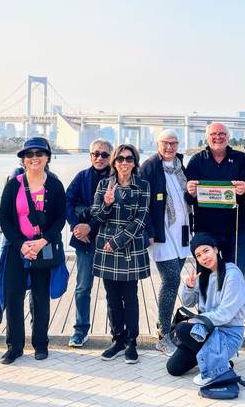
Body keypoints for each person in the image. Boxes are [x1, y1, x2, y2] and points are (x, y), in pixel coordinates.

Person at [0, 137, 66, 364]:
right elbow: (5, 219)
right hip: (18, 248)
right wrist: (21, 244)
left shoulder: (55, 185)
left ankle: (40, 344)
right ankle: (14, 346)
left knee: (40, 298)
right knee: (13, 297)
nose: (34, 157)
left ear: (47, 157)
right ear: (23, 159)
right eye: (29, 154)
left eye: (39, 153)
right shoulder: (13, 184)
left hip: (43, 249)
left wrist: (42, 241)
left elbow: (60, 219)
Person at [91, 143, 151, 364]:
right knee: (112, 298)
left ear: (135, 162)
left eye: (129, 159)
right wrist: (106, 204)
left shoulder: (143, 185)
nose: (124, 162)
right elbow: (96, 216)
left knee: (131, 297)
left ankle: (132, 342)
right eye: (120, 159)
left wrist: (118, 241)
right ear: (114, 162)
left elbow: (141, 218)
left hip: (129, 247)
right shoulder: (104, 184)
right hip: (106, 247)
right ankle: (117, 340)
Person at [167, 234, 245, 385]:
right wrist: (189, 287)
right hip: (206, 331)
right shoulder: (204, 275)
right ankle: (219, 362)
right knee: (173, 368)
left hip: (228, 335)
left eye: (206, 251)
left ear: (216, 250)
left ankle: (217, 367)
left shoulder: (232, 275)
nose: (204, 257)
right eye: (198, 255)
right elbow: (188, 302)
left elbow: (224, 315)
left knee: (182, 328)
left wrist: (194, 320)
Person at [141, 130, 192, 355]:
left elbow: (189, 195)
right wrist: (148, 231)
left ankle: (165, 326)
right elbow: (143, 202)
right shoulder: (151, 166)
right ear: (158, 144)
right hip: (162, 235)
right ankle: (163, 335)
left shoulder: (180, 165)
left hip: (183, 233)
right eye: (165, 143)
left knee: (172, 282)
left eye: (173, 143)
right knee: (171, 280)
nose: (170, 147)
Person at [186, 123, 245, 273]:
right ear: (206, 137)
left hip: (237, 231)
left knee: (235, 277)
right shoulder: (196, 160)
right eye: (213, 134)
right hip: (205, 232)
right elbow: (188, 197)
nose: (218, 137)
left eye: (222, 134)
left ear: (228, 137)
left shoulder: (241, 159)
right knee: (206, 280)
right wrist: (191, 193)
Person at [65, 138, 113, 347]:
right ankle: (80, 330)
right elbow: (67, 201)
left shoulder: (117, 178)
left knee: (113, 288)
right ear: (90, 155)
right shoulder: (81, 177)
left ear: (110, 157)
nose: (99, 157)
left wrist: (89, 226)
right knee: (83, 287)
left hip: (110, 241)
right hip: (85, 241)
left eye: (104, 154)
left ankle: (117, 331)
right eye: (95, 153)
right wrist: (77, 228)